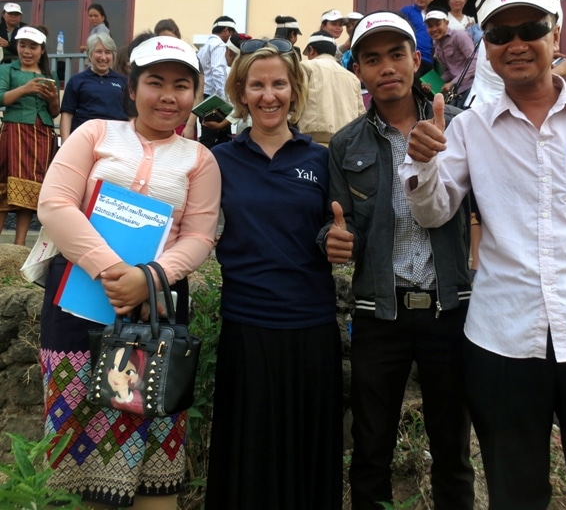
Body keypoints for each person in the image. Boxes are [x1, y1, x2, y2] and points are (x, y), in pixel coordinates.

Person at [401, 0, 566, 510]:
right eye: (499, 34)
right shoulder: (470, 129)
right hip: (504, 337)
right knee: (515, 492)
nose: (515, 43)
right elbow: (435, 210)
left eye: (530, 29)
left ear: (555, 35)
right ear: (485, 46)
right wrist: (422, 162)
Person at [37, 35, 221, 510]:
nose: (168, 96)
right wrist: (116, 271)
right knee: (76, 441)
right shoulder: (94, 134)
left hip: (155, 313)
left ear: (195, 93)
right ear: (133, 88)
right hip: (78, 303)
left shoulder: (200, 159)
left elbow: (199, 236)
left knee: (152, 432)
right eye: (155, 82)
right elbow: (54, 204)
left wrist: (151, 277)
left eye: (181, 85)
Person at [321, 11, 474, 510]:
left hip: (450, 308)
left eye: (396, 54)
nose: (386, 67)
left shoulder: (460, 128)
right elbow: (338, 220)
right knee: (370, 447)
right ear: (358, 71)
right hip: (378, 313)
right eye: (372, 59)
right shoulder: (346, 143)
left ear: (416, 60)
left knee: (452, 447)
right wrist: (333, 239)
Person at [205, 38, 343, 510]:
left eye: (279, 84)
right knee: (249, 456)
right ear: (241, 93)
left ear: (295, 89)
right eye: (257, 85)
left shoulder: (320, 159)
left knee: (308, 454)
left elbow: (335, 227)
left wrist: (338, 241)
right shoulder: (220, 160)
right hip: (246, 326)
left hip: (312, 325)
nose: (269, 95)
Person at [0, 26, 59, 245]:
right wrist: (24, 89)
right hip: (15, 129)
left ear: (41, 50)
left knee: (30, 186)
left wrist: (53, 99)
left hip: (42, 132)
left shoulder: (49, 75)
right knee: (5, 183)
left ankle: (20, 244)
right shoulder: (7, 69)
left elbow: (55, 112)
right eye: (22, 45)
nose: (27, 51)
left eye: (33, 47)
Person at [297, 30, 364, 144]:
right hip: (345, 144)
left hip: (312, 142)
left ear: (311, 50)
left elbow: (296, 104)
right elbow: (361, 116)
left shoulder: (306, 66)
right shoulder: (352, 78)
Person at [60, 32, 129, 142]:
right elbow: (67, 114)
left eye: (108, 52)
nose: (103, 57)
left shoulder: (123, 81)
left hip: (116, 140)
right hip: (84, 139)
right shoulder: (76, 81)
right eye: (98, 52)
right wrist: (65, 144)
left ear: (113, 55)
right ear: (90, 54)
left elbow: (132, 114)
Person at [201, 32, 253, 136]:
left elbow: (241, 108)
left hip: (248, 127)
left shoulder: (239, 76)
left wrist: (220, 125)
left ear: (228, 52)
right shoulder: (250, 72)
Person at [424, 9, 477, 109]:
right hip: (456, 92)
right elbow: (449, 71)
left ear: (446, 23)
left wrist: (453, 83)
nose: (434, 29)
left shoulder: (459, 36)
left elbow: (474, 62)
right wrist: (433, 84)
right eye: (430, 26)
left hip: (470, 88)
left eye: (438, 24)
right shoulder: (437, 45)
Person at [197, 15, 236, 148]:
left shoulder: (205, 46)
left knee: (208, 135)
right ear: (226, 30)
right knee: (220, 138)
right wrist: (223, 100)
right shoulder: (219, 45)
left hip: (204, 96)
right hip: (214, 98)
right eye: (231, 33)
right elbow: (218, 72)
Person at [400, 0, 436, 78]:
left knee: (431, 87)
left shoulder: (433, 15)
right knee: (413, 86)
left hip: (429, 59)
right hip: (413, 57)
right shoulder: (407, 10)